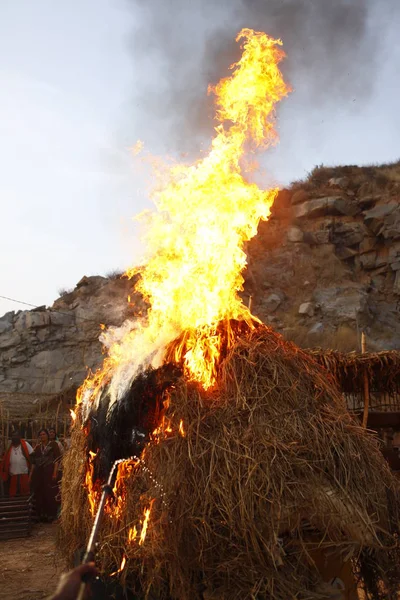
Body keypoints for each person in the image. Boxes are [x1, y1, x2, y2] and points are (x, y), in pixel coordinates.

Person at [30, 428, 61, 521]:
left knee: (50, 494)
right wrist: (30, 475)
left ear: (47, 435)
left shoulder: (53, 445)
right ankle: (41, 515)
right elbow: (33, 462)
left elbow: (57, 460)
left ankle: (51, 515)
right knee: (40, 494)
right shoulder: (38, 447)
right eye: (41, 435)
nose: (42, 436)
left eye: (44, 434)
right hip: (40, 474)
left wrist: (55, 472)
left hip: (50, 472)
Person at [0, 431, 33, 497]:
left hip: (24, 475)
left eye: (16, 435)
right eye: (13, 436)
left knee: (25, 495)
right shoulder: (9, 446)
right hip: (12, 476)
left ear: (19, 437)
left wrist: (31, 473)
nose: (14, 437)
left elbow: (33, 457)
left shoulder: (25, 444)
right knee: (13, 496)